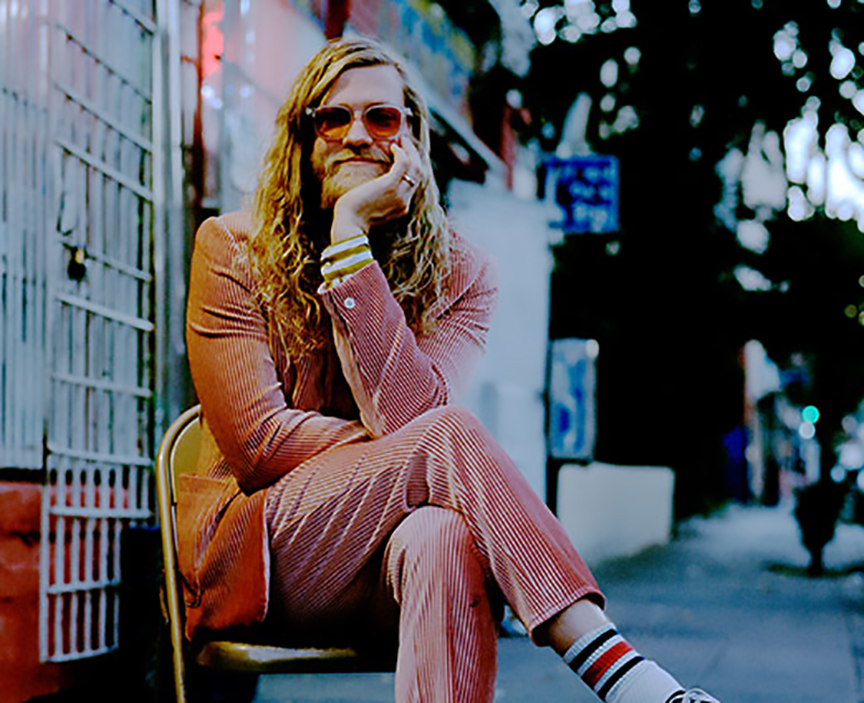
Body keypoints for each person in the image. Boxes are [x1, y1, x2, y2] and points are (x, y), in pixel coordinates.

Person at [180, 36, 721, 703]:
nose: (356, 136)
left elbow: (408, 418)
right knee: (449, 437)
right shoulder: (233, 249)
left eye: (381, 119)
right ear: (304, 139)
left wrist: (355, 261)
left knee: (442, 529)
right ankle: (622, 673)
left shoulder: (460, 276)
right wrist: (348, 227)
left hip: (383, 568)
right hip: (263, 557)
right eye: (333, 119)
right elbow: (260, 445)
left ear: (413, 143)